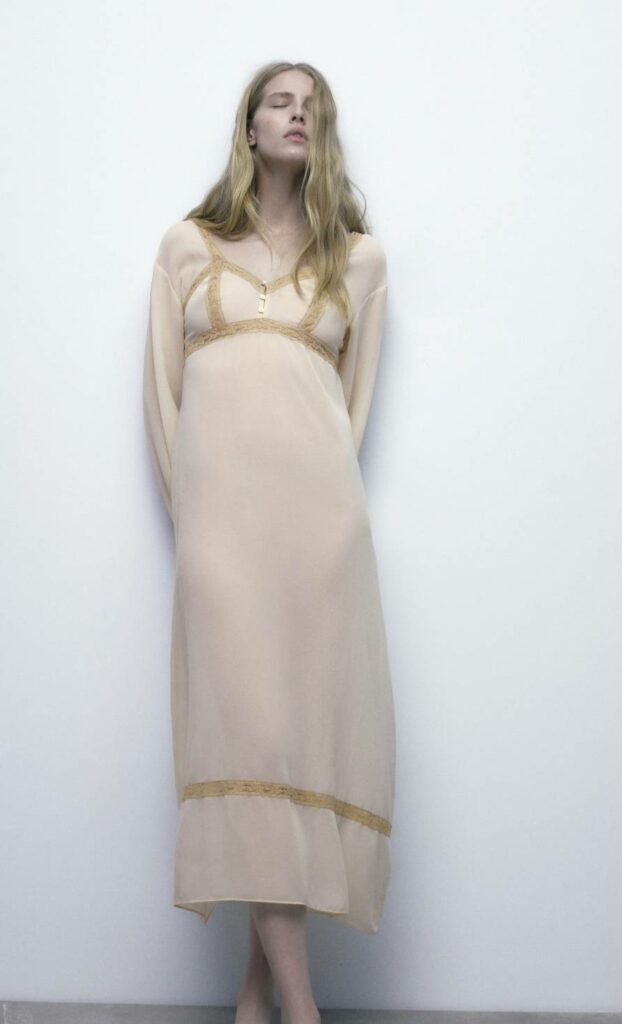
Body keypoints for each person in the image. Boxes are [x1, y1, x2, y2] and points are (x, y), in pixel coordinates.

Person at [142, 60, 396, 1024]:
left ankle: (259, 997)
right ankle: (302, 1006)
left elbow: (352, 409)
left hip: (321, 533)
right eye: (281, 103)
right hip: (221, 535)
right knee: (247, 737)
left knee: (291, 751)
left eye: (313, 108)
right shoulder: (185, 246)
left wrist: (330, 511)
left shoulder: (359, 261)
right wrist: (195, 518)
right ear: (248, 127)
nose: (298, 116)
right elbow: (162, 401)